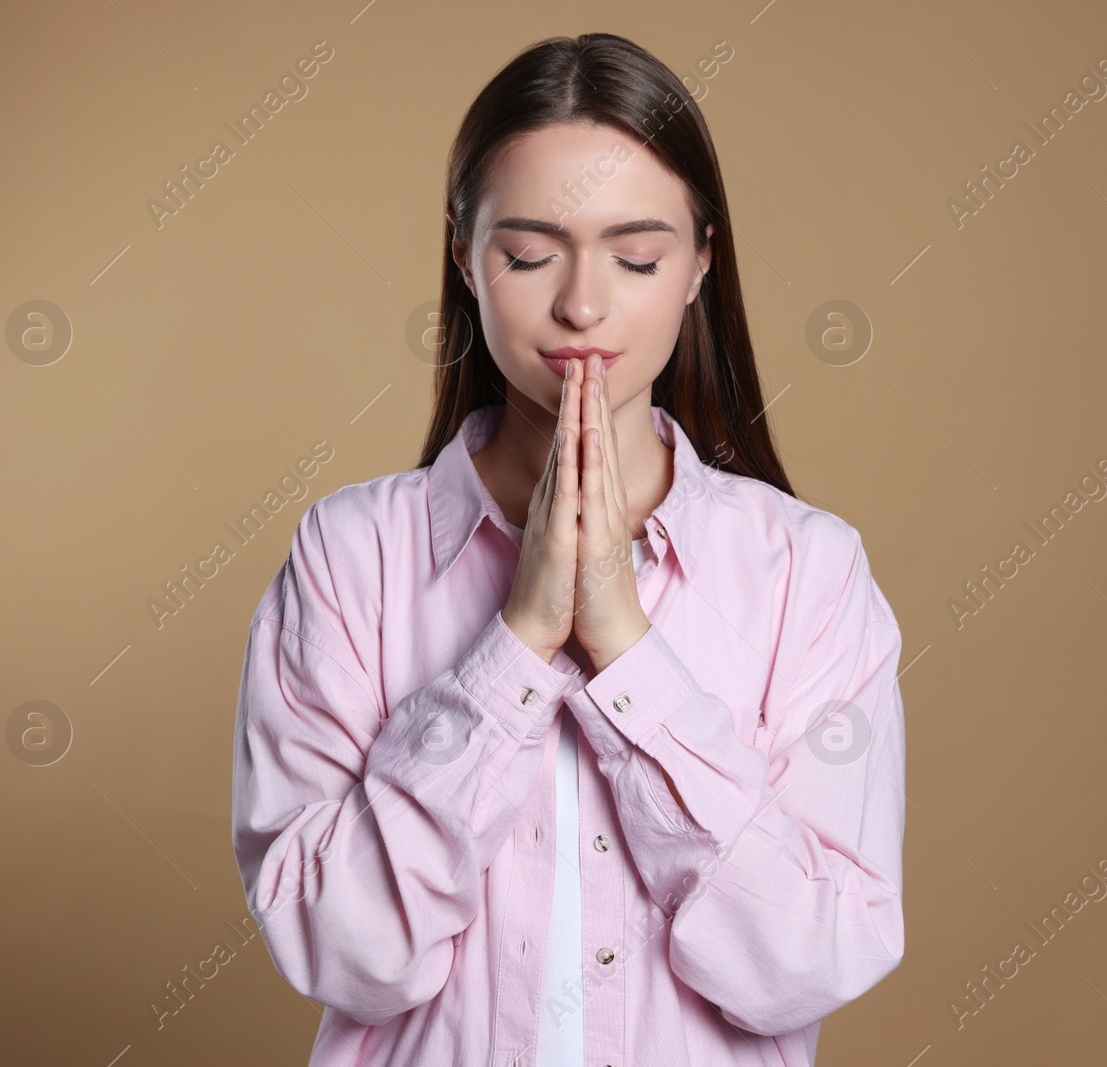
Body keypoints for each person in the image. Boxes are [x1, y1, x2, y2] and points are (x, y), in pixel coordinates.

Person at [231, 31, 905, 1067]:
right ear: (464, 254)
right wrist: (516, 641)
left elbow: (809, 957)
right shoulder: (348, 554)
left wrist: (627, 649)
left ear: (700, 263)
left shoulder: (806, 573)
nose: (583, 304)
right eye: (530, 253)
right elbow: (336, 946)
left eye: (636, 256)